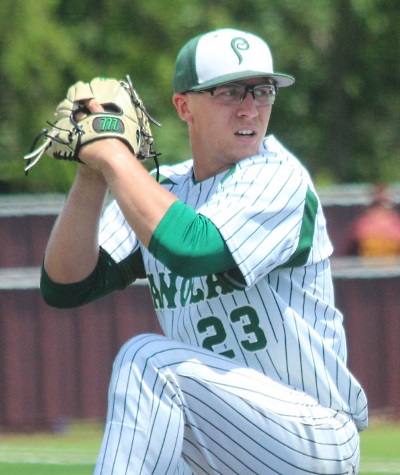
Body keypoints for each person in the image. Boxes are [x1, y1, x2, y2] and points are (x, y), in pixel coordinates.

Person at [41, 28, 368, 474]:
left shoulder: (278, 176)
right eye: (230, 91)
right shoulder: (163, 190)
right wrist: (93, 170)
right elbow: (66, 285)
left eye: (263, 91)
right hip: (223, 430)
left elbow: (192, 247)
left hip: (309, 435)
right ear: (184, 106)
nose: (250, 107)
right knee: (159, 437)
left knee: (148, 362)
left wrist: (117, 157)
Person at [343, 184, 400, 258]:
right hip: (366, 268)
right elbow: (349, 251)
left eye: (384, 201)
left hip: (394, 268)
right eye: (378, 201)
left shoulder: (396, 224)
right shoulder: (361, 225)